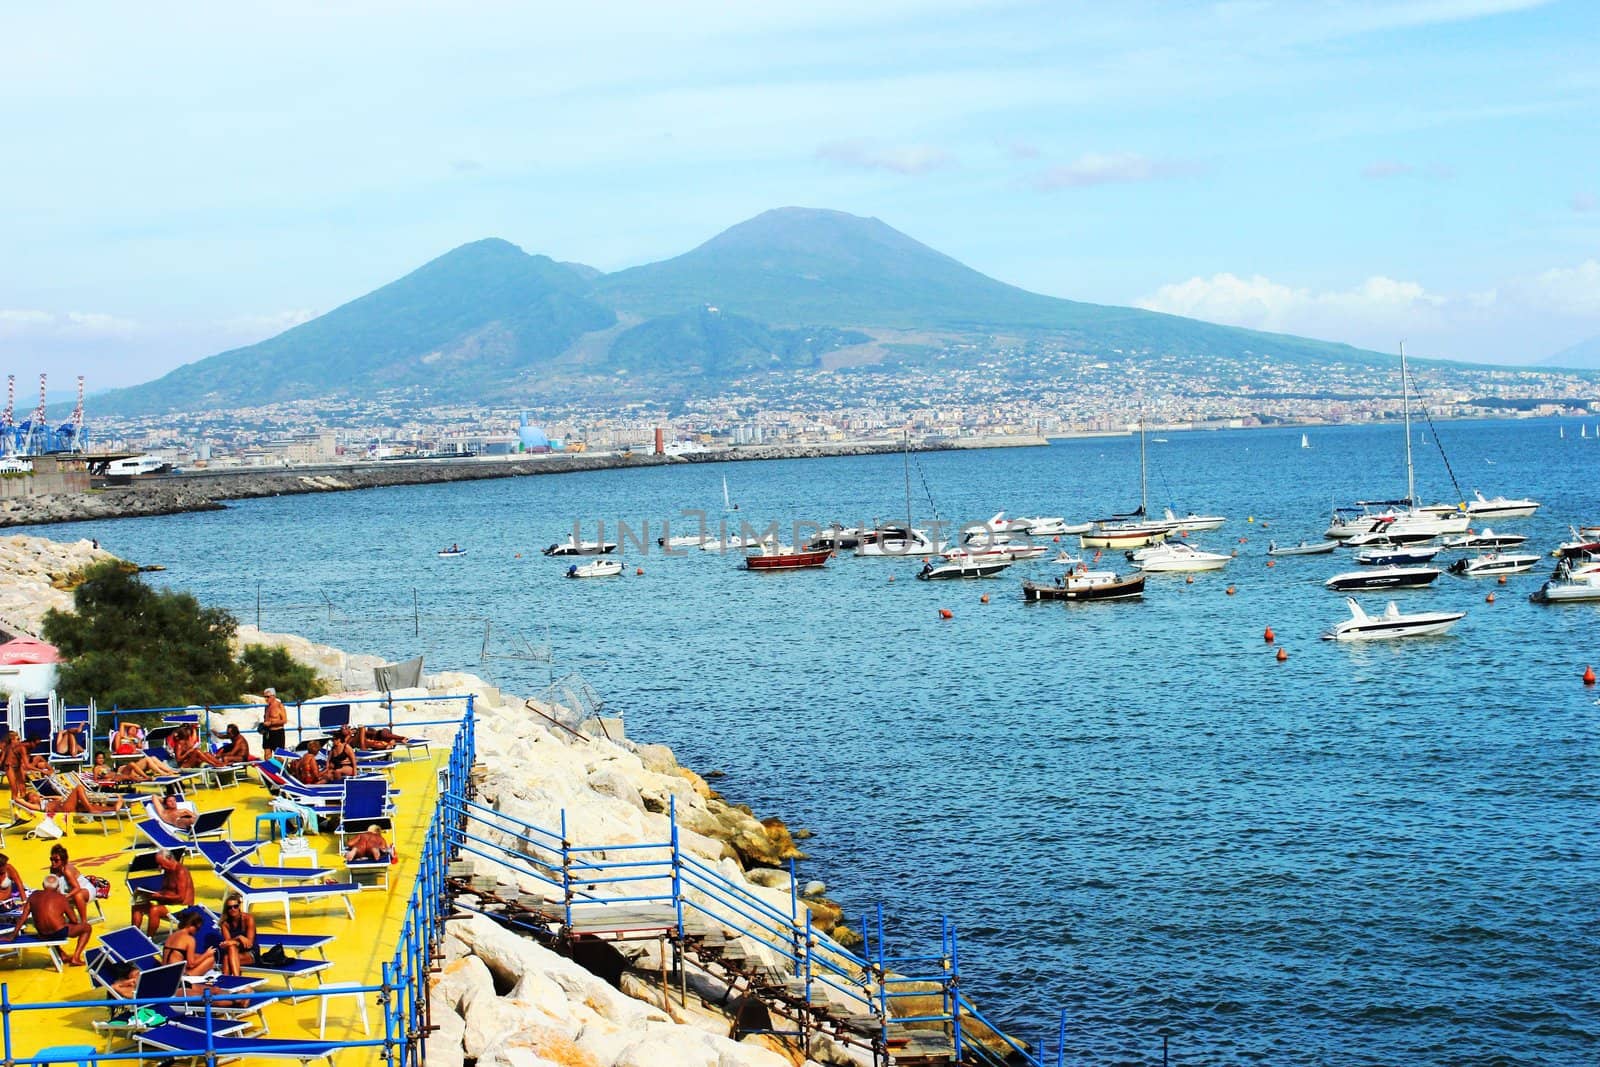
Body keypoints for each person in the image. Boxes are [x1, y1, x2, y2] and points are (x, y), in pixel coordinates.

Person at [8, 874, 91, 966]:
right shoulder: (61, 898)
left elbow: (23, 917)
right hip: (58, 932)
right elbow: (74, 920)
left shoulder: (33, 895)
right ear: (58, 886)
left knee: (52, 928)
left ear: (43, 885)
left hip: (42, 934)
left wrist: (13, 935)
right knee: (87, 928)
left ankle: (61, 954)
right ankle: (76, 957)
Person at [131, 850, 194, 936]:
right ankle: (133, 934)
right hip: (169, 903)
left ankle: (149, 938)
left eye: (161, 863)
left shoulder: (180, 871)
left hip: (182, 907)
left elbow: (181, 897)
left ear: (169, 859)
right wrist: (149, 895)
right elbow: (166, 890)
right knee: (137, 907)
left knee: (155, 910)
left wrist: (159, 896)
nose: (160, 866)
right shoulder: (168, 871)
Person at [48, 843, 95, 926]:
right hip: (70, 891)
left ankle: (84, 922)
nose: (53, 862)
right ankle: (73, 920)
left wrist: (66, 896)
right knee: (58, 896)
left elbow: (77, 888)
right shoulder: (53, 869)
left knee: (77, 895)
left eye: (56, 860)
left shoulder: (67, 870)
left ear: (63, 860)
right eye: (51, 859)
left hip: (86, 890)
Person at [161, 910, 216, 977]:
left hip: (164, 972)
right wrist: (206, 954)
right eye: (197, 929)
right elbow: (191, 964)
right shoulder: (189, 939)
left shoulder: (172, 936)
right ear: (190, 925)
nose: (197, 932)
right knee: (210, 959)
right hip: (178, 977)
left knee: (197, 956)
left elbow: (177, 955)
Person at [217, 892, 256, 976]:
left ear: (239, 907)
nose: (233, 909)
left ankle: (230, 982)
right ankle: (236, 980)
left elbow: (249, 944)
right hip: (235, 953)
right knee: (230, 952)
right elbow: (228, 944)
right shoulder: (225, 924)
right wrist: (239, 938)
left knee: (227, 957)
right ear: (226, 909)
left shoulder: (248, 919)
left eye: (235, 906)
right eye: (230, 907)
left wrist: (234, 941)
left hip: (251, 953)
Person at [260, 689, 287, 754]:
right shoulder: (267, 707)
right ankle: (269, 764)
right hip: (267, 733)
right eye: (265, 697)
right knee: (267, 754)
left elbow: (284, 720)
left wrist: (271, 723)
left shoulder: (279, 706)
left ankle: (282, 764)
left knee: (278, 755)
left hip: (277, 732)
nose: (266, 699)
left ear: (273, 696)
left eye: (268, 697)